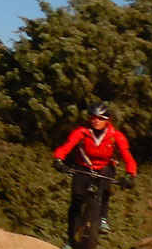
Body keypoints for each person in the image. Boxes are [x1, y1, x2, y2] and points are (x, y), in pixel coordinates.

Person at [53, 102, 138, 241]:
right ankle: (70, 240)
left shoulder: (115, 135)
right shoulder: (81, 132)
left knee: (105, 187)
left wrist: (130, 175)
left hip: (104, 166)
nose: (96, 121)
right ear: (89, 118)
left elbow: (127, 156)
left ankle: (103, 219)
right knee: (77, 200)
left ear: (107, 120)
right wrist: (58, 159)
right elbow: (67, 146)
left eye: (101, 118)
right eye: (93, 118)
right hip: (83, 166)